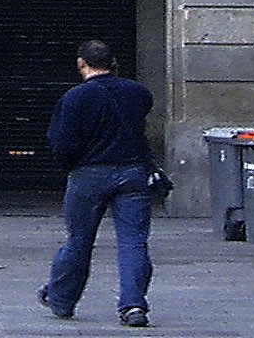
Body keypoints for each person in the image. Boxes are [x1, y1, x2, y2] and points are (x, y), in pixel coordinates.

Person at [40, 39, 157, 328]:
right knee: (133, 241)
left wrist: (73, 166)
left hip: (89, 174)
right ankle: (133, 306)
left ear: (81, 63)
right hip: (133, 173)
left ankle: (62, 300)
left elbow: (62, 142)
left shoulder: (75, 98)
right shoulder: (138, 93)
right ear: (113, 62)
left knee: (79, 240)